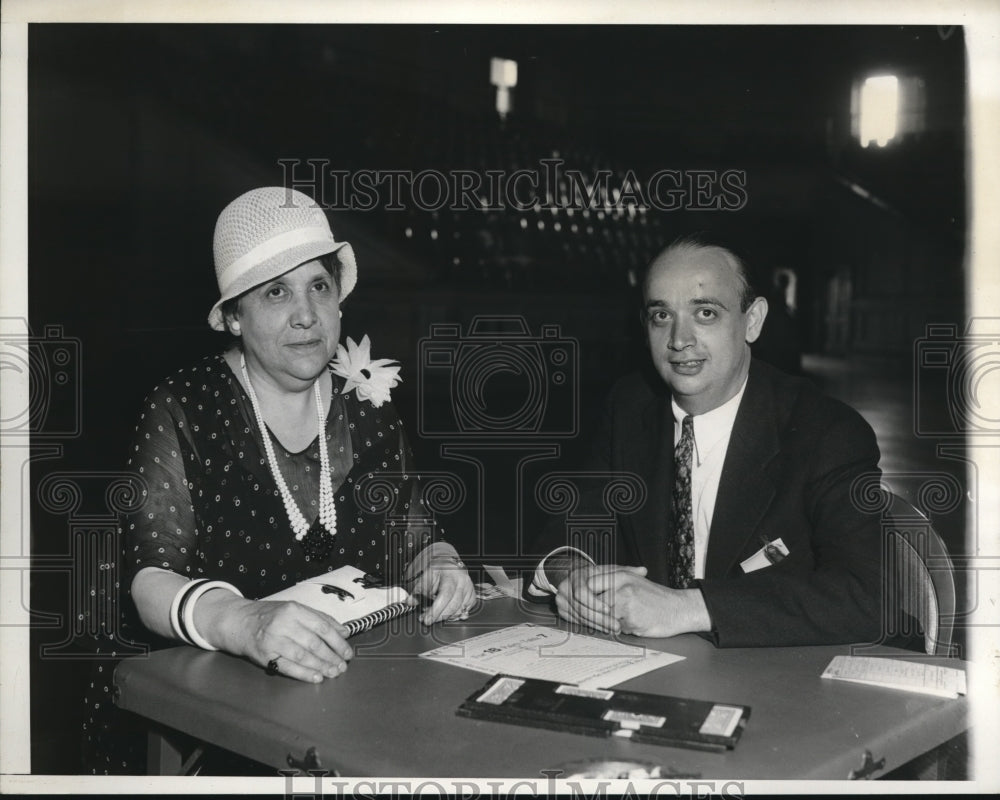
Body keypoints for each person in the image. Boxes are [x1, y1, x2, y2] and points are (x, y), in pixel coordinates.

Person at [83, 186, 473, 773]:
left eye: (319, 285)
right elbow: (148, 580)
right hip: (215, 723)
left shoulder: (366, 405)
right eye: (276, 292)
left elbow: (414, 541)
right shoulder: (181, 408)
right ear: (234, 317)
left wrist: (440, 562)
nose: (306, 315)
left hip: (352, 705)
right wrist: (243, 622)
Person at [527, 237, 885, 648]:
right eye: (661, 315)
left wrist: (688, 607)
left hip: (781, 679)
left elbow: (869, 597)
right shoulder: (631, 406)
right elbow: (572, 526)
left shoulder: (825, 430)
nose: (679, 340)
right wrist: (573, 575)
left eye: (706, 313)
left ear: (753, 321)